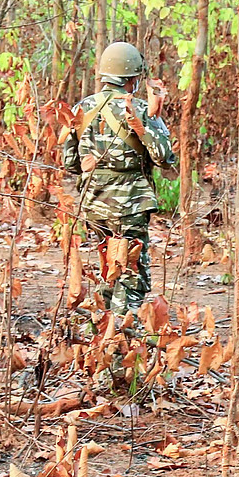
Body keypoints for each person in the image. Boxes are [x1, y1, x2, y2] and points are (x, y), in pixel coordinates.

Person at [62, 41, 176, 315]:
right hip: (131, 205)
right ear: (133, 78)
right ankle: (123, 345)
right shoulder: (137, 109)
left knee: (107, 270)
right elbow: (163, 157)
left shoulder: (81, 109)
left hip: (94, 204)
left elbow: (70, 163)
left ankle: (101, 334)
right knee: (131, 275)